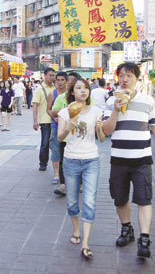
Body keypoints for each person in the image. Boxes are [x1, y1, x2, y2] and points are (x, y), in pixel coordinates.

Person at [102, 62, 155, 258]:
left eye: (129, 76)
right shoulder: (110, 101)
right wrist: (116, 109)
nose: (124, 80)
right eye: (121, 76)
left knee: (144, 199)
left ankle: (145, 239)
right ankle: (126, 230)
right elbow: (107, 131)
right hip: (119, 159)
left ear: (136, 79)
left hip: (142, 160)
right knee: (120, 197)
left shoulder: (147, 101)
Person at [57, 78, 105, 258]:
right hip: (70, 160)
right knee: (71, 201)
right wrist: (68, 127)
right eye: (78, 88)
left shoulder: (96, 111)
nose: (83, 91)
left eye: (86, 88)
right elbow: (59, 138)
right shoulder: (65, 112)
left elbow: (101, 139)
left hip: (91, 160)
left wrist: (100, 129)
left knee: (90, 201)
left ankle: (85, 242)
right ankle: (76, 231)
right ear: (72, 92)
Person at [51, 72, 81, 195]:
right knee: (65, 160)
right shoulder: (61, 97)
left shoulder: (85, 99)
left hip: (80, 136)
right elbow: (53, 112)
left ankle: (78, 183)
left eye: (72, 81)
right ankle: (63, 185)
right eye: (69, 80)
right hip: (65, 136)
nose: (69, 83)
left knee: (79, 159)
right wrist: (67, 110)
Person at [32, 67, 56, 171]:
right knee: (45, 143)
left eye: (53, 75)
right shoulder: (39, 89)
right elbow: (35, 105)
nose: (52, 77)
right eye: (50, 75)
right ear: (44, 76)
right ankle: (43, 163)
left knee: (56, 144)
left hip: (56, 120)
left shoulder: (56, 88)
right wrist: (35, 121)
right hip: (45, 120)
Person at [47, 72, 68, 186]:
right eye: (58, 80)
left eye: (62, 80)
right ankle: (56, 174)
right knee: (55, 149)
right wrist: (54, 117)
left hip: (68, 127)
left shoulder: (70, 94)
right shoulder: (52, 93)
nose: (60, 82)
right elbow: (48, 109)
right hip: (56, 126)